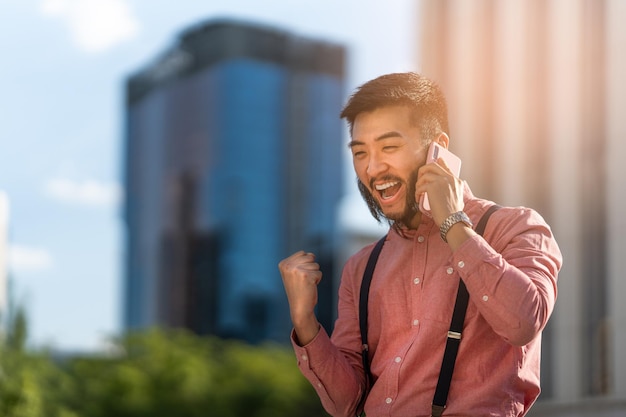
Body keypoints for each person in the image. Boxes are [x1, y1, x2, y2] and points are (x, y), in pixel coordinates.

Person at [278, 72, 562, 417]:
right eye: (360, 152)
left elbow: (523, 322)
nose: (373, 167)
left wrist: (454, 223)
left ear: (437, 147)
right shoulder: (361, 267)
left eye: (389, 147)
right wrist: (304, 320)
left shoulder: (515, 227)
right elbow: (346, 403)